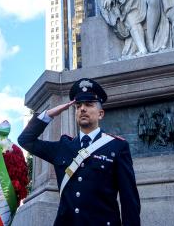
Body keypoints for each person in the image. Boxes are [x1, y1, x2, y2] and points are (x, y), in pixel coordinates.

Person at [18, 78, 140, 226]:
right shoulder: (63, 147)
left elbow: (129, 199)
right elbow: (25, 140)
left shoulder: (117, 147)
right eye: (78, 106)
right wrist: (49, 114)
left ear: (100, 114)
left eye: (89, 104)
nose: (82, 108)